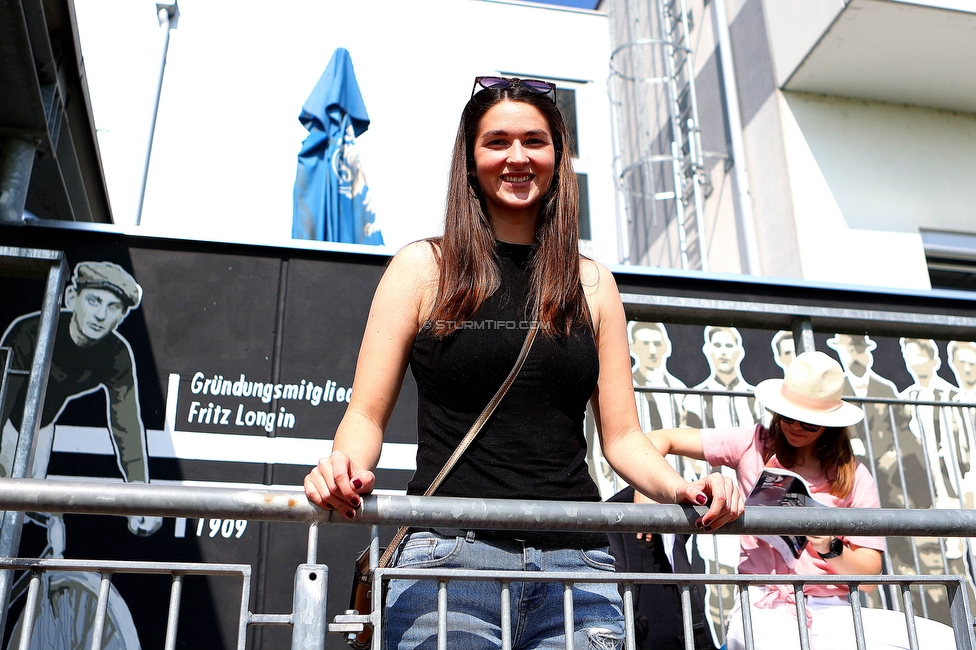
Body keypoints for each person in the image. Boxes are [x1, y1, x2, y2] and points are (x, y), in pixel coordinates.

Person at [303, 75, 743, 650]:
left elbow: (624, 438)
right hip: (447, 558)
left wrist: (681, 489)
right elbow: (365, 415)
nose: (517, 156)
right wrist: (342, 467)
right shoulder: (421, 268)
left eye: (535, 141)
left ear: (558, 157)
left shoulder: (593, 283)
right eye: (497, 141)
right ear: (470, 159)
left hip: (579, 562)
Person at [650, 351, 956, 650]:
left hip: (832, 609)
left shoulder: (854, 474)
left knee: (942, 639)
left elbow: (869, 576)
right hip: (762, 602)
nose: (795, 428)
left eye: (808, 422)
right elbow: (658, 440)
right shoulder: (752, 443)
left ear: (830, 424)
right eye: (787, 417)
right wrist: (651, 493)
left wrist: (829, 545)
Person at [1, 261, 161, 537]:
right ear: (72, 298)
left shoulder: (116, 354)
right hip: (7, 425)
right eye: (94, 300)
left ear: (122, 315)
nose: (100, 315)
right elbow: (2, 400)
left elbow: (127, 427)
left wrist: (140, 497)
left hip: (41, 429)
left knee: (18, 522)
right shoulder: (30, 331)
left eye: (113, 307)